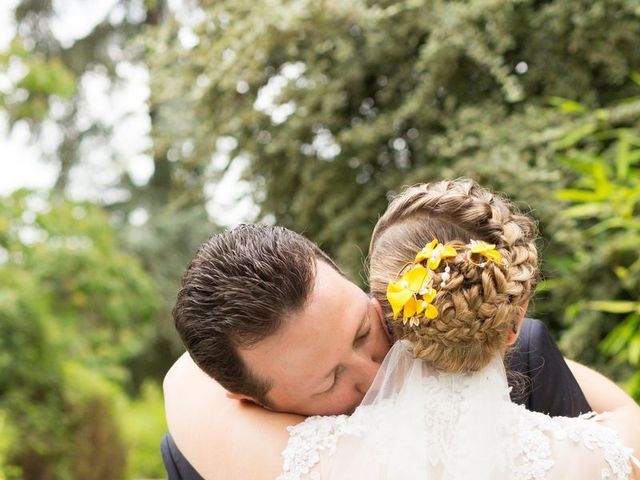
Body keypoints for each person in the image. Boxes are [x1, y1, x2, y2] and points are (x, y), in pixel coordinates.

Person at [164, 183, 632, 479]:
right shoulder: (192, 457)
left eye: (363, 330)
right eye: (330, 381)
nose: (375, 371)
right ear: (251, 402)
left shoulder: (526, 353)